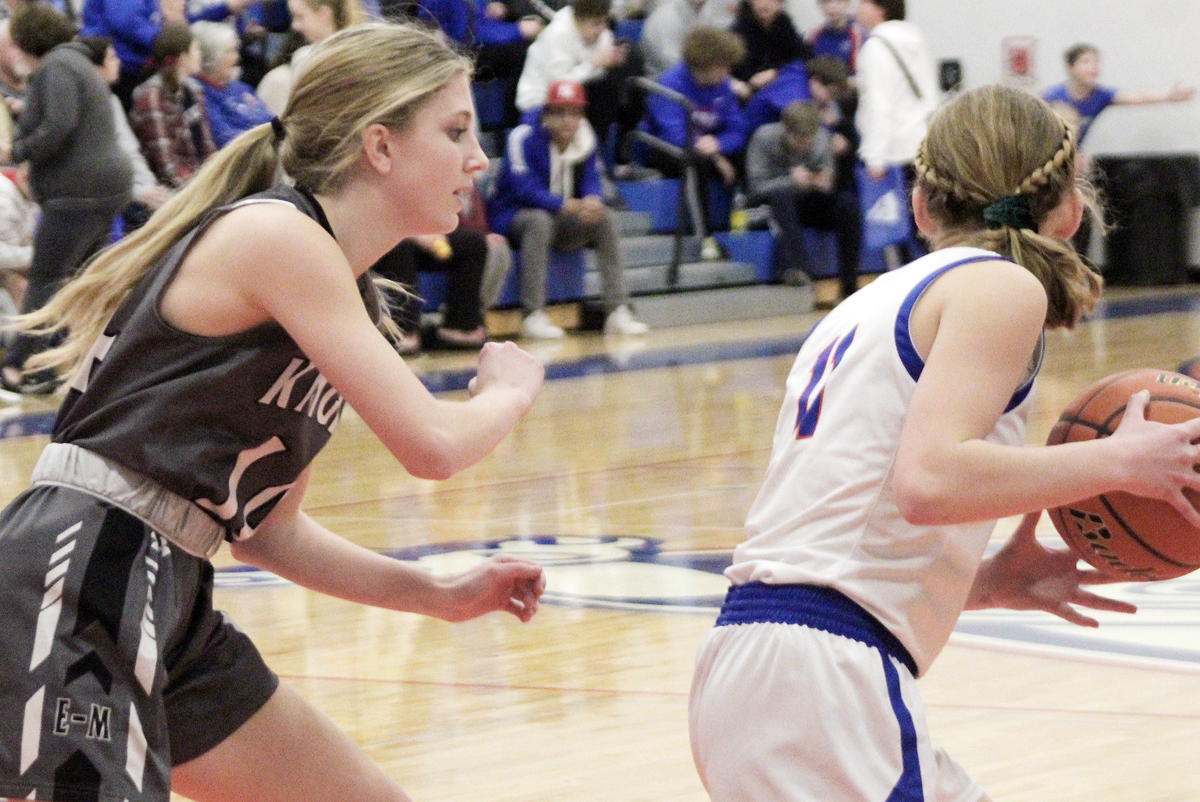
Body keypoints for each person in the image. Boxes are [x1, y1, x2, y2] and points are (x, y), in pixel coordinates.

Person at [0, 21, 547, 802]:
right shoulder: (276, 235)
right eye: (456, 131)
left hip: (170, 583)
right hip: (80, 574)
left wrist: (439, 594)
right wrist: (507, 391)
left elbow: (269, 532)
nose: (478, 158)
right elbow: (432, 444)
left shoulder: (342, 291)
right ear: (380, 145)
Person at [689, 83, 1200, 802]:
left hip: (764, 660)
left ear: (922, 206)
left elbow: (844, 529)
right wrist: (1121, 460)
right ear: (1071, 210)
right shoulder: (998, 286)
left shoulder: (869, 302)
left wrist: (980, 582)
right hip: (819, 679)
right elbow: (928, 482)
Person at [0, 3, 132, 395]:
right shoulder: (76, 62)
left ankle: (17, 367)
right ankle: (69, 366)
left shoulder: (56, 65)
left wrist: (15, 151)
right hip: (103, 187)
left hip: (78, 190)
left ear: (28, 41)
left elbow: (59, 126)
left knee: (46, 280)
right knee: (83, 283)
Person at [489, 79, 649, 339]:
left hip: (560, 218)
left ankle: (618, 310)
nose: (568, 121)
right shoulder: (522, 136)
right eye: (560, 113)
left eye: (575, 114)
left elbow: (593, 178)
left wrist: (593, 201)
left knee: (604, 218)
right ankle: (533, 315)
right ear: (546, 115)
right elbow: (523, 188)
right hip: (513, 217)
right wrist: (564, 205)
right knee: (539, 221)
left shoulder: (585, 137)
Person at [745, 100, 861, 300]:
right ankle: (799, 270)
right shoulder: (764, 138)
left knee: (848, 204)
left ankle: (849, 286)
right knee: (782, 197)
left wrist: (824, 182)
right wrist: (791, 181)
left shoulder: (821, 138)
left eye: (809, 139)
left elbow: (829, 181)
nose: (804, 145)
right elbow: (755, 187)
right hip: (769, 206)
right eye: (798, 140)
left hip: (809, 202)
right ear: (785, 130)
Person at [637, 26, 748, 231]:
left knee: (746, 153)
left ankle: (741, 227)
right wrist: (714, 156)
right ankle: (704, 234)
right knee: (696, 161)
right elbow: (675, 134)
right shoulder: (670, 83)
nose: (728, 72)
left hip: (705, 145)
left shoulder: (723, 85)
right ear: (704, 66)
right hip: (662, 147)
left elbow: (738, 129)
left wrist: (719, 143)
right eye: (722, 66)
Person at [514, 0, 635, 161]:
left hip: (580, 96)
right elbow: (558, 88)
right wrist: (593, 64)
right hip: (539, 102)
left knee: (623, 74)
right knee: (601, 94)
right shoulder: (556, 34)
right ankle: (592, 159)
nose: (601, 29)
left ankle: (612, 155)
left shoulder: (602, 34)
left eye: (604, 22)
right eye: (595, 24)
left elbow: (596, 75)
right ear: (578, 20)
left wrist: (612, 62)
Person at [79, 34, 174, 232]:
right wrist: (137, 192)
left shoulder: (111, 101)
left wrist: (150, 186)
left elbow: (131, 151)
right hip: (103, 196)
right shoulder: (81, 109)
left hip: (129, 187)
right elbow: (93, 169)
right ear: (95, 68)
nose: (119, 62)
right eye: (112, 58)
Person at [1042, 43, 1195, 147]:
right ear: (1070, 68)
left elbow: (1136, 97)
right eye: (1086, 62)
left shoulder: (1101, 95)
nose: (1093, 67)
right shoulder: (1052, 96)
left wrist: (1168, 97)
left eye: (1096, 62)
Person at [129, 23, 218, 189]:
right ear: (183, 57)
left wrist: (218, 176)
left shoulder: (194, 90)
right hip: (172, 190)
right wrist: (201, 190)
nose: (200, 55)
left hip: (199, 180)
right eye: (196, 49)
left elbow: (207, 147)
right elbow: (166, 165)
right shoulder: (152, 97)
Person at [192, 19, 274, 148]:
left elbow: (273, 122)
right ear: (211, 56)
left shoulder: (242, 88)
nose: (237, 57)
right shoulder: (199, 94)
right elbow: (227, 139)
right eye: (230, 51)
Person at [727, 0, 809, 102]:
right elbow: (719, 68)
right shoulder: (736, 33)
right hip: (743, 95)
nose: (765, 3)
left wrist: (776, 72)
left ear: (781, 4)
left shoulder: (787, 30)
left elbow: (803, 59)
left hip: (778, 93)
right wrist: (734, 84)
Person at [638, 0, 733, 79]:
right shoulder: (665, 18)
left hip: (702, 79)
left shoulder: (705, 12)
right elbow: (670, 63)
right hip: (664, 84)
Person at [804, 0, 865, 77]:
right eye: (827, 2)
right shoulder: (813, 35)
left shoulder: (859, 35)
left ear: (847, 4)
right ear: (820, 5)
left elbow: (862, 73)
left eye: (839, 1)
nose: (833, 6)